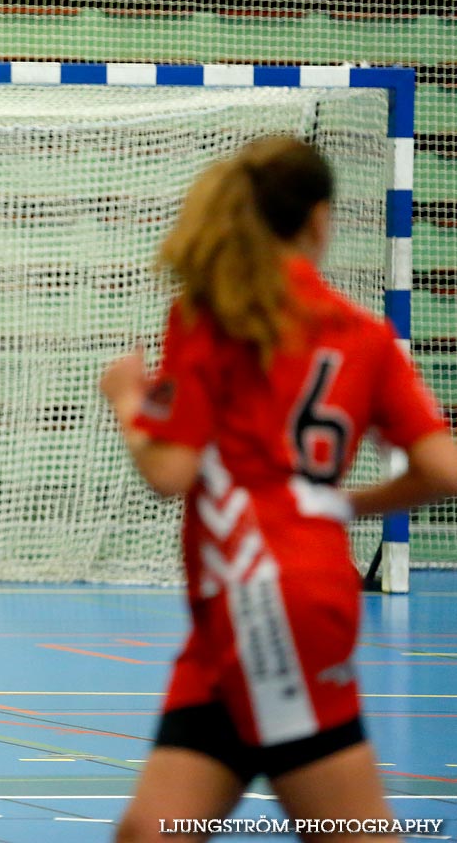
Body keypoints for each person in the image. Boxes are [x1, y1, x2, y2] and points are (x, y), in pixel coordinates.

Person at [100, 136, 457, 843]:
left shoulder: (215, 319)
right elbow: (443, 469)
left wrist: (125, 402)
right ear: (320, 220)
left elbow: (168, 472)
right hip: (264, 599)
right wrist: (345, 503)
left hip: (261, 592)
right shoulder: (367, 336)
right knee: (149, 830)